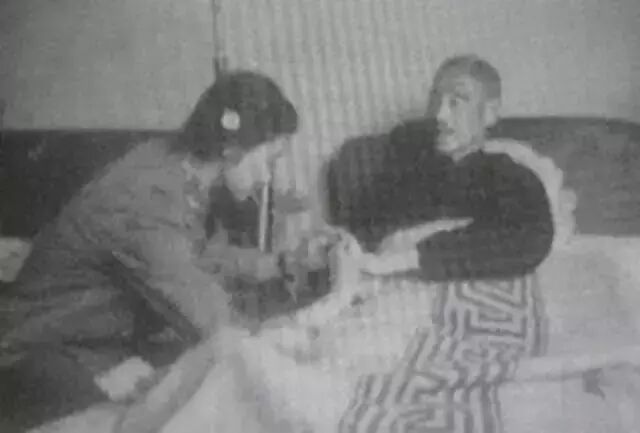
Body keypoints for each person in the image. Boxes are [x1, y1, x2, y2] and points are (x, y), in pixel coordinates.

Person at [0, 70, 308, 431]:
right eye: (269, 161)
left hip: (88, 345)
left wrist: (282, 262)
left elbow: (194, 258)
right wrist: (297, 335)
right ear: (231, 150)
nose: (267, 177)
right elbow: (215, 323)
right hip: (34, 355)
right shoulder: (149, 198)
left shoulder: (173, 165)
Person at [339, 55, 556, 433]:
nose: (439, 114)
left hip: (477, 318)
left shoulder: (511, 176)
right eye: (435, 99)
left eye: (457, 101)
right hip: (397, 316)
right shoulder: (405, 173)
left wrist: (409, 258)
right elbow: (361, 233)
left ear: (490, 113)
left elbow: (530, 238)